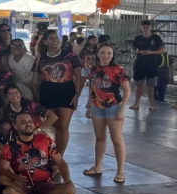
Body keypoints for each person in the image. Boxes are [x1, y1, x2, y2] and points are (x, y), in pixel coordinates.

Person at [0, 112, 75, 194]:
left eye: (30, 121)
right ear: (16, 127)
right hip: (23, 187)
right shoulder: (10, 146)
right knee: (2, 180)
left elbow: (61, 162)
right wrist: (15, 177)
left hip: (46, 184)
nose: (28, 124)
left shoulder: (45, 139)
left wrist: (67, 179)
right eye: (23, 122)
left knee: (70, 189)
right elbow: (2, 168)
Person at [84, 43, 131, 183]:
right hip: (97, 107)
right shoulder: (94, 70)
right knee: (100, 137)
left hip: (113, 107)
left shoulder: (118, 70)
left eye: (109, 53)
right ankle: (98, 166)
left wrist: (122, 109)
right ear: (98, 54)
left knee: (116, 139)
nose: (106, 56)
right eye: (103, 53)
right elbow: (92, 89)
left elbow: (128, 91)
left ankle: (120, 171)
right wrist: (88, 106)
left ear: (113, 55)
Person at [33, 29, 82, 154]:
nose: (55, 40)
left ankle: (60, 156)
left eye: (56, 37)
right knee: (51, 125)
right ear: (45, 41)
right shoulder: (40, 58)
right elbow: (36, 78)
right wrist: (35, 96)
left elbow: (78, 75)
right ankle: (50, 154)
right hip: (47, 93)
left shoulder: (70, 55)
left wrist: (77, 94)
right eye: (51, 38)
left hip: (66, 92)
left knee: (63, 126)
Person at [131, 20, 165, 111]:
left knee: (151, 86)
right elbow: (133, 50)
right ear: (141, 28)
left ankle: (152, 104)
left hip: (152, 65)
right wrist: (139, 51)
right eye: (144, 27)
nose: (145, 29)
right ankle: (136, 103)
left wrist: (151, 52)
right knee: (139, 85)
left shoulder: (156, 38)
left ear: (150, 27)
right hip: (140, 64)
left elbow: (162, 50)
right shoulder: (138, 38)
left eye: (147, 27)